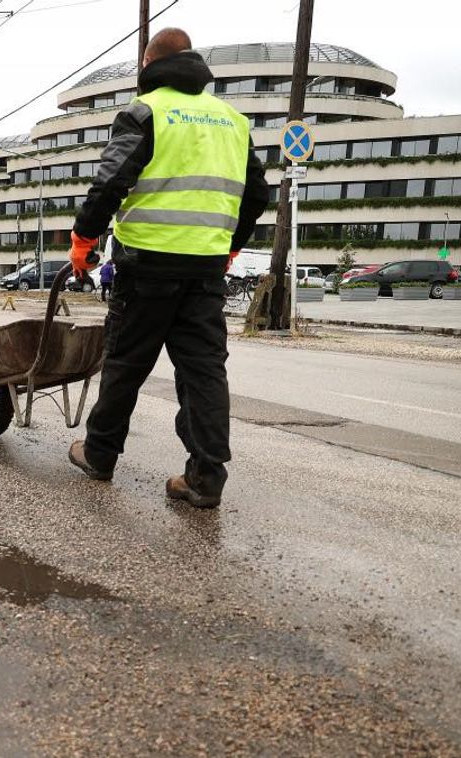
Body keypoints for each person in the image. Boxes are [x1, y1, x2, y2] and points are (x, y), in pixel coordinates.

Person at [65, 27, 270, 508]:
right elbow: (257, 194)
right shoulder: (233, 121)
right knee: (203, 371)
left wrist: (82, 241)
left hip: (146, 267)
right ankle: (204, 478)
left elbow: (110, 182)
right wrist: (230, 247)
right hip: (205, 270)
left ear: (148, 63)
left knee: (126, 364)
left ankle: (99, 455)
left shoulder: (145, 111)